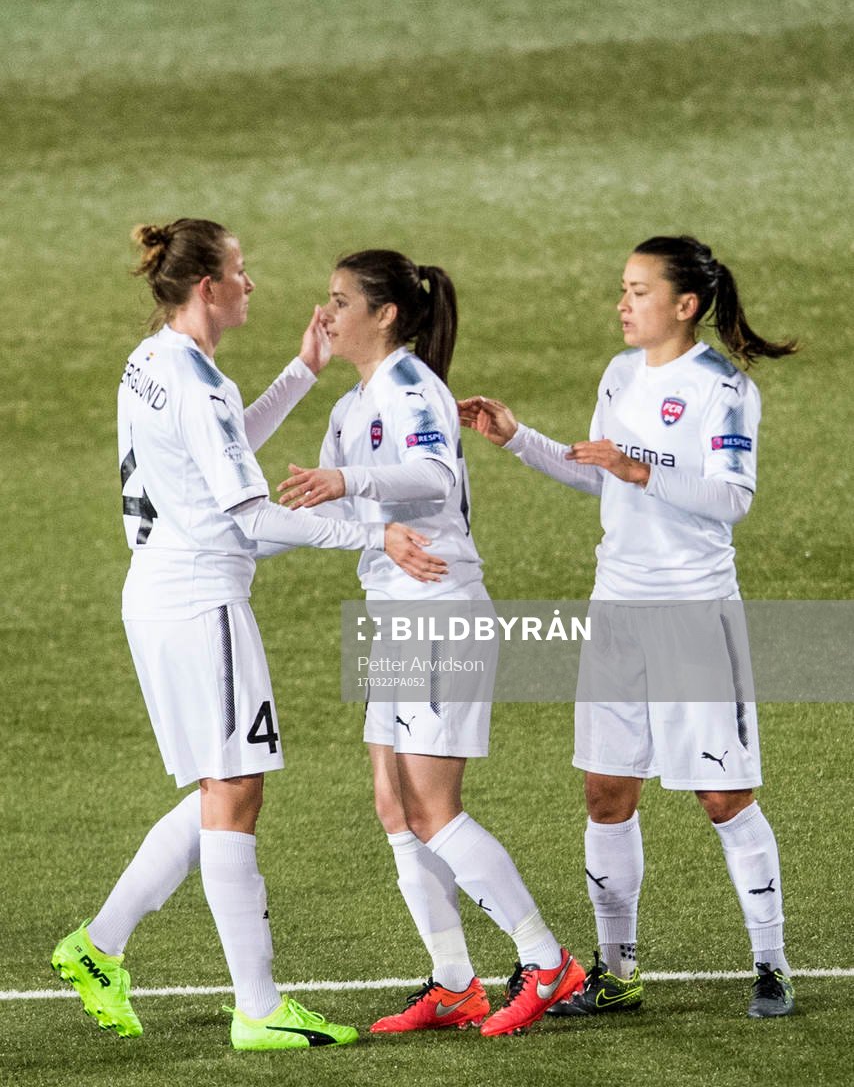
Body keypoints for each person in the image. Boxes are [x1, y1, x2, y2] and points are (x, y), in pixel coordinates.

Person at [51, 219, 446, 1052]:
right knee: (237, 794)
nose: (251, 283)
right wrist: (373, 535)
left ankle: (99, 946)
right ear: (208, 289)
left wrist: (301, 373)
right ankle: (258, 1005)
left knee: (218, 789)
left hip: (160, 591)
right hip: (202, 603)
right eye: (239, 271)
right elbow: (246, 508)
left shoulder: (156, 361)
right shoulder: (194, 384)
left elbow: (221, 447)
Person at [459, 235, 798, 1019]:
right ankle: (617, 972)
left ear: (685, 305)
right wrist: (519, 439)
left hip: (693, 614)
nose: (622, 302)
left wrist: (641, 467)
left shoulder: (724, 389)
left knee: (723, 796)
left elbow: (731, 497)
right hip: (617, 609)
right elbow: (596, 468)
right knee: (607, 793)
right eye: (623, 288)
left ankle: (772, 963)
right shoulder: (619, 375)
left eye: (639, 290)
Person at [276, 249, 584, 1037]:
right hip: (393, 610)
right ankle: (454, 982)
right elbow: (344, 516)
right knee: (393, 805)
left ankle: (546, 960)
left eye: (341, 300)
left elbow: (435, 478)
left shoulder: (413, 388)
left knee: (433, 808)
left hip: (439, 610)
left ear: (385, 315)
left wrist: (349, 486)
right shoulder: (352, 406)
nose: (327, 312)